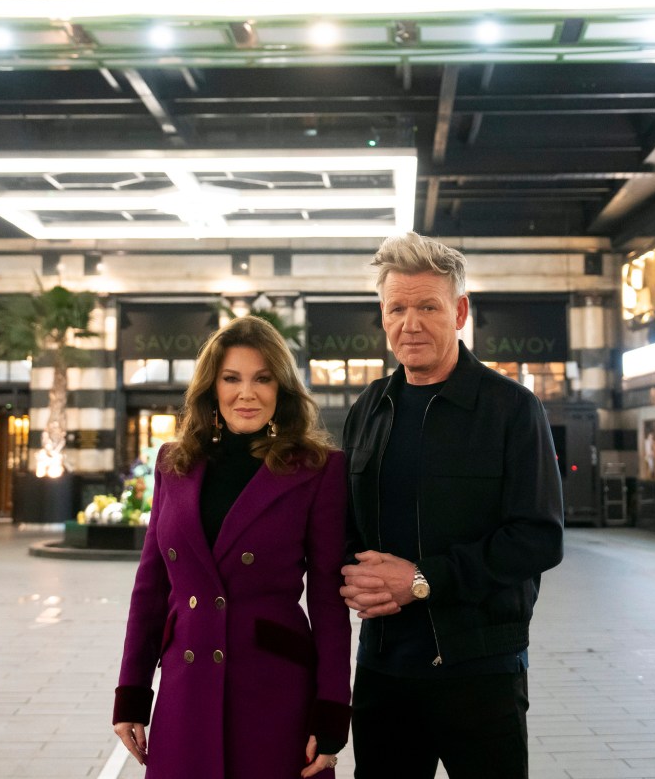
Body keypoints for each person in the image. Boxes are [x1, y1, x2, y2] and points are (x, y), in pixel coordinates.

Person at [340, 232, 564, 779]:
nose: (410, 323)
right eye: (396, 308)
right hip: (383, 670)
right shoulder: (370, 407)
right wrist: (349, 576)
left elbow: (538, 537)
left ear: (460, 311)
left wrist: (421, 581)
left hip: (480, 671)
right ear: (382, 315)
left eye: (427, 306)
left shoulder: (512, 409)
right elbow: (345, 521)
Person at [113, 314, 352, 779]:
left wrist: (331, 714)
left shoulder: (319, 469)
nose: (247, 393)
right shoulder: (173, 462)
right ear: (211, 388)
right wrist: (132, 694)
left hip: (274, 691)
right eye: (232, 379)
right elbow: (151, 584)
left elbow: (327, 602)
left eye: (262, 379)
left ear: (281, 388)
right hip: (186, 686)